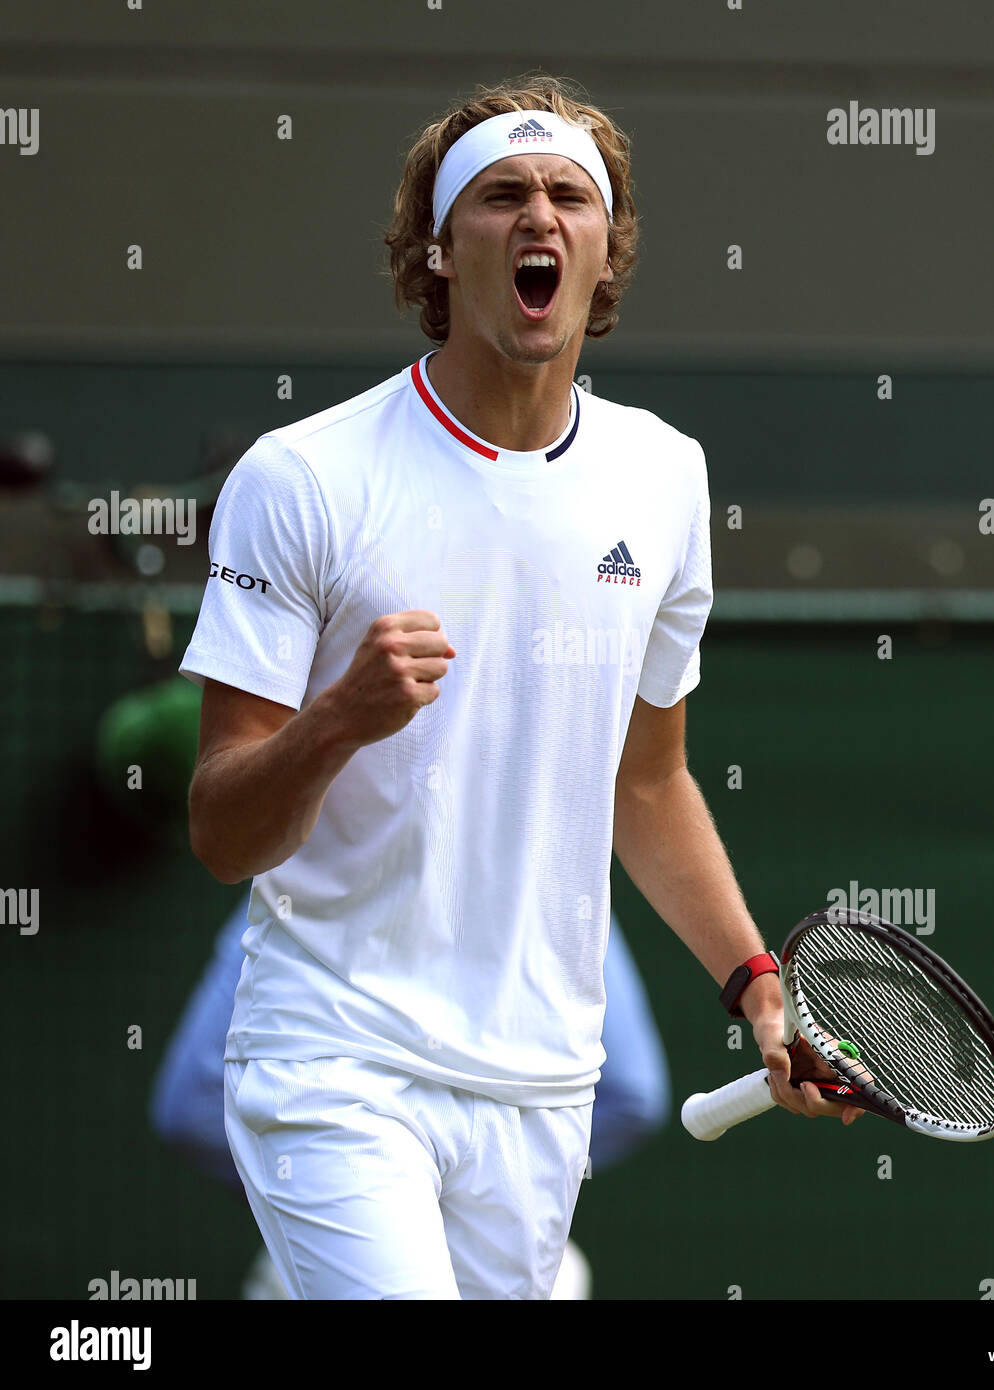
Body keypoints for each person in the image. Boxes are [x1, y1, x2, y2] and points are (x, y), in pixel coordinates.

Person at [181, 72, 861, 1300]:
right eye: (500, 195)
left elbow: (647, 785)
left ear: (605, 253)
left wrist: (762, 987)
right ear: (442, 250)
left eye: (568, 196)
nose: (538, 216)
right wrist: (340, 717)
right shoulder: (302, 479)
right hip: (337, 1056)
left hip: (543, 1084)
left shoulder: (664, 479)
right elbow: (223, 829)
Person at [149, 896, 671, 1298]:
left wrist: (327, 1181)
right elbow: (633, 1095)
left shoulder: (555, 872)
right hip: (375, 1219)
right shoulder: (303, 867)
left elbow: (633, 1096)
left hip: (442, 1229)